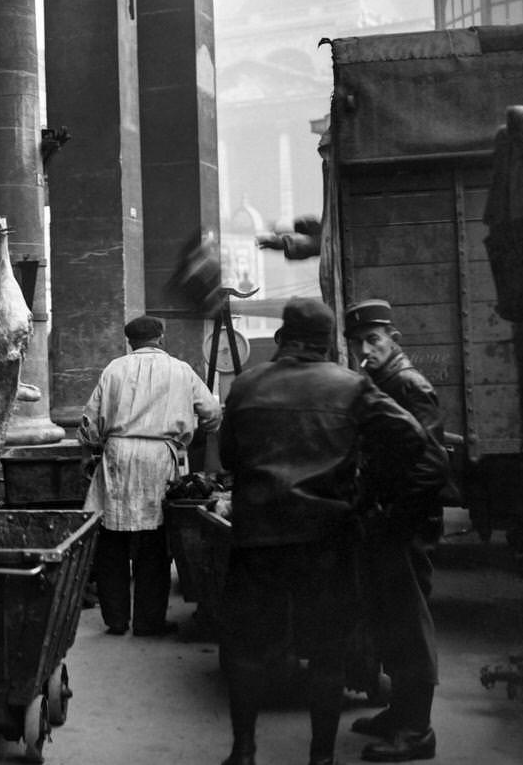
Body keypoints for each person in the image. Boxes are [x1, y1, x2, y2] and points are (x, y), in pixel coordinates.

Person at [217, 297, 429, 765]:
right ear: (328, 341)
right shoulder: (351, 386)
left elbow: (229, 457)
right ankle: (321, 758)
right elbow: (413, 438)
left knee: (247, 651)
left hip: (257, 539)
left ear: (283, 338)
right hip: (327, 541)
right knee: (327, 655)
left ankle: (244, 752)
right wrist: (365, 491)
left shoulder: (246, 384)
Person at [343, 299, 451, 763]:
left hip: (405, 526)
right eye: (357, 343)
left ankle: (418, 731)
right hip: (389, 522)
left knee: (409, 624)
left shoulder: (408, 384)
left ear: (394, 339)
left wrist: (395, 519)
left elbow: (432, 466)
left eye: (373, 340)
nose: (364, 350)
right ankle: (399, 714)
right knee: (390, 620)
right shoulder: (384, 382)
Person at [78, 315, 221, 637]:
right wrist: (199, 432)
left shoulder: (114, 369)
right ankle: (148, 622)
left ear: (129, 341)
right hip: (160, 457)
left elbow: (89, 421)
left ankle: (116, 621)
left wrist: (87, 454)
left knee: (112, 541)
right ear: (161, 337)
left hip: (117, 454)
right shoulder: (181, 370)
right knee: (154, 544)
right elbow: (212, 413)